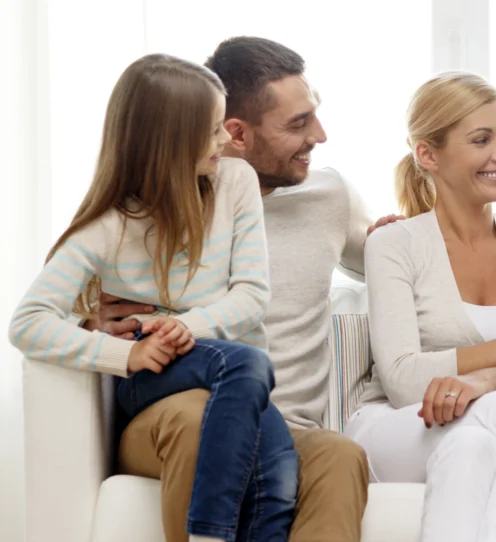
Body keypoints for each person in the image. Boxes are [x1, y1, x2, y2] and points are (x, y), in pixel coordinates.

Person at [93, 37, 376, 542]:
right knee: (197, 416)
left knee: (339, 455)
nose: (320, 135)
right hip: (174, 415)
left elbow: (395, 265)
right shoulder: (157, 204)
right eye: (297, 124)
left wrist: (405, 241)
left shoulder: (330, 197)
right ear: (234, 134)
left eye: (314, 115)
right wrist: (92, 315)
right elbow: (70, 283)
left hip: (283, 428)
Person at [8, 54, 296, 542]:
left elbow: (252, 295)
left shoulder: (235, 182)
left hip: (225, 371)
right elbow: (28, 322)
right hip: (157, 375)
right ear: (168, 145)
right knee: (247, 364)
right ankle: (209, 533)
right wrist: (128, 351)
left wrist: (186, 325)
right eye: (211, 132)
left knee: (277, 481)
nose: (226, 140)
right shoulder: (108, 227)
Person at [343, 71, 496, 542]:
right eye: (481, 139)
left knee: (473, 443)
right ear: (428, 154)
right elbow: (405, 380)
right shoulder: (394, 244)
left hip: (486, 425)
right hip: (399, 425)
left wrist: (478, 381)